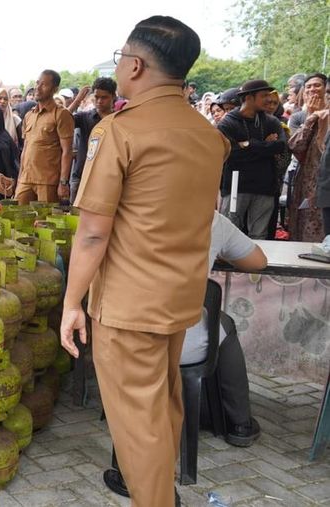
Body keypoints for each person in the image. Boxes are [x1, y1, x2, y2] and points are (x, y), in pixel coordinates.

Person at [59, 16, 229, 507]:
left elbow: (94, 232)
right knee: (162, 407)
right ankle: (158, 493)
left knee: (138, 426)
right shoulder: (207, 134)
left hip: (129, 303)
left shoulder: (119, 131)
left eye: (121, 59)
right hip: (178, 297)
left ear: (135, 65)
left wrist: (72, 303)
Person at [181, 212, 267, 446]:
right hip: (184, 345)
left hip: (128, 342)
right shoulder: (209, 218)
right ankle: (240, 423)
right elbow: (258, 261)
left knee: (219, 321)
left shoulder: (125, 213)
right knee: (224, 323)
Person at [217, 80, 288, 239]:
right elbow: (230, 153)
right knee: (229, 232)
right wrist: (264, 146)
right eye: (264, 95)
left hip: (264, 186)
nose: (269, 100)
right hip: (236, 186)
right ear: (248, 97)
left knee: (259, 235)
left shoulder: (271, 121)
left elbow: (280, 146)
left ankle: (256, 258)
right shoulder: (228, 122)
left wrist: (248, 144)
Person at [16, 70, 74, 204]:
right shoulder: (29, 115)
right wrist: (19, 178)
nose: (38, 87)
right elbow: (25, 149)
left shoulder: (61, 114)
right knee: (17, 214)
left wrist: (63, 182)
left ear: (55, 89)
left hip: (48, 181)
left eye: (44, 84)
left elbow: (67, 151)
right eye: (37, 83)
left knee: (45, 217)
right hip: (25, 179)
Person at [288, 73, 329, 242]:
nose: (313, 90)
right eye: (309, 87)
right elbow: (296, 147)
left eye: (317, 86)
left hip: (325, 179)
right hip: (306, 178)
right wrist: (311, 117)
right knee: (302, 224)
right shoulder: (299, 117)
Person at [67, 77, 117, 202]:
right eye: (96, 97)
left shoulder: (119, 119)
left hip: (108, 175)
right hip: (82, 173)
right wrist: (77, 100)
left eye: (104, 97)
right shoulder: (84, 117)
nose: (99, 101)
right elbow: (62, 120)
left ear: (113, 97)